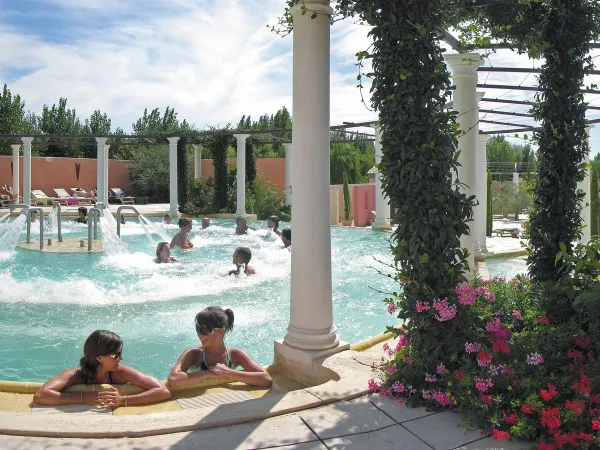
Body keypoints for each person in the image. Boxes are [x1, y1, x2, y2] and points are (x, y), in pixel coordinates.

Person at [33, 330, 171, 407]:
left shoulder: (119, 373)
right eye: (116, 355)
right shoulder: (75, 374)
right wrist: (82, 398)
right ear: (99, 358)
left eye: (120, 353)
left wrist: (123, 400)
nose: (121, 358)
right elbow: (40, 395)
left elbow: (163, 391)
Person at [167, 307, 272, 389]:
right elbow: (173, 380)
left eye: (205, 331)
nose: (200, 335)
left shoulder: (235, 355)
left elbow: (266, 379)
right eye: (198, 329)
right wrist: (206, 374)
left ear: (220, 331)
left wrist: (228, 372)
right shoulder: (194, 354)